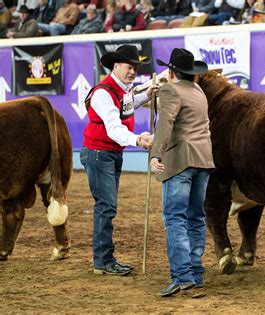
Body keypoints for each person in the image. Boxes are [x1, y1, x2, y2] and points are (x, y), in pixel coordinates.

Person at [80, 45, 158, 276]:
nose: (133, 71)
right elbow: (114, 128)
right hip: (100, 153)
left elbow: (126, 106)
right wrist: (138, 140)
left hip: (107, 153)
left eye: (135, 67)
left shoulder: (120, 90)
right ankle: (103, 261)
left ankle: (103, 259)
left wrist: (146, 96)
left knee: (106, 206)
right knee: (106, 206)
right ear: (116, 66)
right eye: (129, 66)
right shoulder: (104, 92)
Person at [150, 48, 215, 297]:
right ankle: (195, 274)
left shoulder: (170, 90)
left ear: (172, 71)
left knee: (175, 218)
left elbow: (165, 124)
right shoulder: (198, 91)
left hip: (180, 161)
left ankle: (182, 276)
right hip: (203, 160)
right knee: (195, 217)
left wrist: (156, 153)